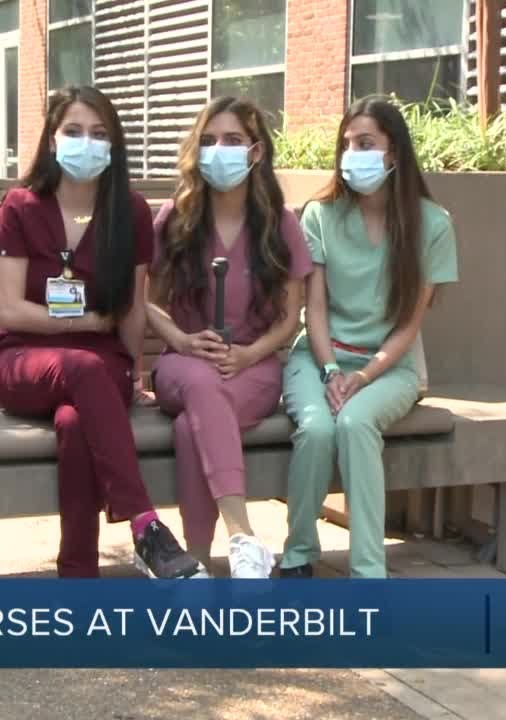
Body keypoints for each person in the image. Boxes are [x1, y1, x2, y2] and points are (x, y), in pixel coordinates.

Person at [0, 85, 204, 579]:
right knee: (83, 369)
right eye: (74, 131)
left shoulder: (130, 212)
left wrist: (134, 372)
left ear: (114, 145)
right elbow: (10, 310)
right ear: (52, 139)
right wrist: (85, 322)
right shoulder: (20, 206)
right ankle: (145, 525)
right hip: (23, 361)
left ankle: (78, 579)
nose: (87, 142)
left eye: (99, 133)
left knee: (75, 423)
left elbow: (133, 307)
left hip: (101, 371)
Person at [281, 96, 459, 579]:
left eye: (365, 144)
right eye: (346, 144)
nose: (351, 155)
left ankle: (368, 573)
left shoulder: (433, 224)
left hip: (390, 366)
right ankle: (298, 555)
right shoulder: (320, 215)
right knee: (317, 430)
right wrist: (331, 371)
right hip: (317, 358)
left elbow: (409, 325)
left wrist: (362, 377)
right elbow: (314, 309)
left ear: (393, 152)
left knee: (356, 424)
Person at [146, 97, 311, 578]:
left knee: (189, 427)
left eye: (233, 140)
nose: (219, 150)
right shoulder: (175, 217)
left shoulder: (280, 223)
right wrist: (181, 340)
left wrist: (248, 354)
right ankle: (243, 536)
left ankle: (196, 564)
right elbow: (146, 301)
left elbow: (290, 317)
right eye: (209, 140)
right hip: (181, 364)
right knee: (201, 383)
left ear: (256, 151)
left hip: (254, 368)